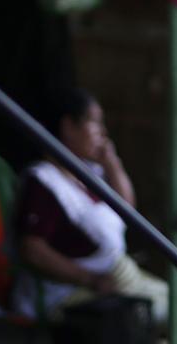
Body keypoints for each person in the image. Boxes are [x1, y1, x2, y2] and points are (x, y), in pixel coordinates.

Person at [15, 88, 169, 326]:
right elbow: (33, 250)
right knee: (154, 316)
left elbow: (127, 210)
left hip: (118, 275)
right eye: (95, 123)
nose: (103, 133)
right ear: (68, 127)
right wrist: (89, 279)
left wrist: (112, 163)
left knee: (175, 303)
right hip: (69, 293)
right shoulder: (44, 181)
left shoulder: (86, 173)